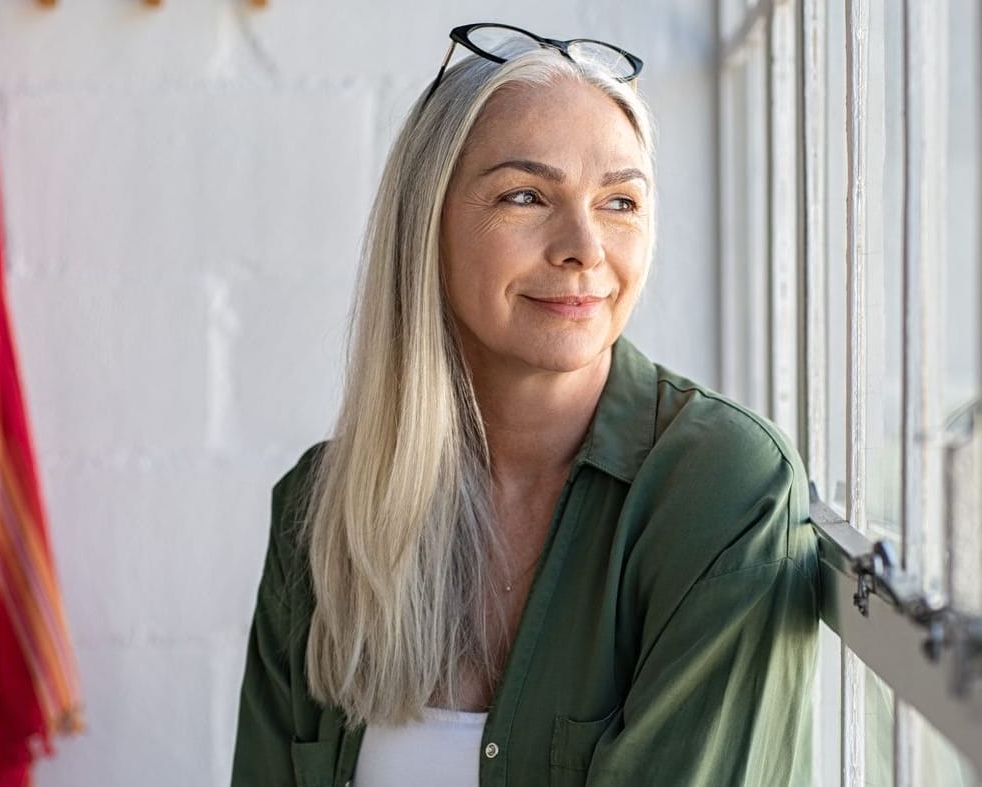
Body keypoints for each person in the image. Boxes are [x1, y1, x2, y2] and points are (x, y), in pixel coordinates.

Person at [232, 23, 819, 787]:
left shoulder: (721, 490)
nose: (583, 245)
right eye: (524, 195)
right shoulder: (323, 508)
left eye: (619, 201)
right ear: (426, 225)